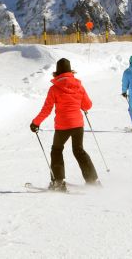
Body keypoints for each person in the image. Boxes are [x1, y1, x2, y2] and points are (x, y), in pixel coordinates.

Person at [30, 57, 99, 191]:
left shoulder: (54, 89)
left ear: (57, 72)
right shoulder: (79, 86)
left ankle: (59, 182)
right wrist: (80, 104)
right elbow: (88, 105)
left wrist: (35, 123)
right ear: (70, 71)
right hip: (78, 125)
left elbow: (47, 109)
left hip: (63, 126)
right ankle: (92, 180)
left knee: (56, 150)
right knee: (79, 151)